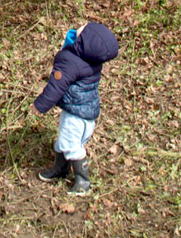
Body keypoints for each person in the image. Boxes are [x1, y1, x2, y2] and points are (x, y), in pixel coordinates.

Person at [31, 21, 119, 194]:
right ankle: (61, 169)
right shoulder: (92, 60)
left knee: (71, 145)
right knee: (64, 142)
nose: (80, 27)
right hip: (88, 113)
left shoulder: (70, 61)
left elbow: (56, 86)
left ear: (87, 40)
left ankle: (83, 181)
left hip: (75, 115)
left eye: (84, 29)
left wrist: (40, 105)